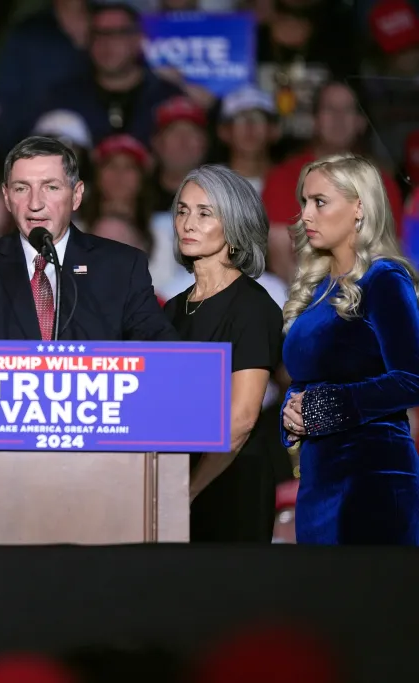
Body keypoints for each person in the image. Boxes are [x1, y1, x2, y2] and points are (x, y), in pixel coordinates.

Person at [281, 154, 419, 545]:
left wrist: (323, 407)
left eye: (319, 202)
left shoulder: (385, 279)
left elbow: (412, 378)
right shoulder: (317, 288)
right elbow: (311, 381)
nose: (306, 214)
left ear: (359, 206)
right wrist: (293, 410)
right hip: (318, 479)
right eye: (304, 202)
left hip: (372, 478)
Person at [0, 135, 177, 341]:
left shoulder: (121, 267)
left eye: (51, 187)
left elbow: (162, 354)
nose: (35, 204)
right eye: (21, 188)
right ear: (6, 197)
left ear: (77, 195)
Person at [163, 165, 284, 542]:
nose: (188, 223)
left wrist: (190, 490)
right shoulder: (173, 308)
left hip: (231, 486)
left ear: (234, 225)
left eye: (204, 213)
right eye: (182, 210)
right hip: (178, 484)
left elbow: (241, 421)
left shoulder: (252, 307)